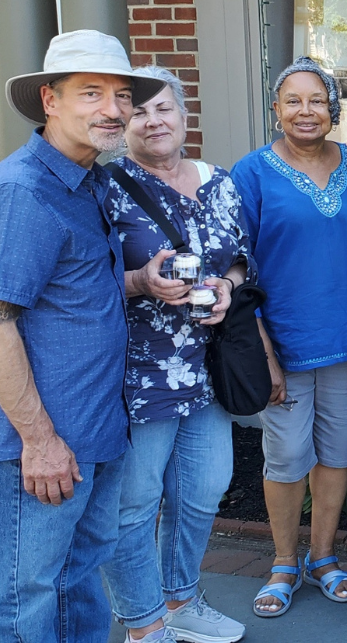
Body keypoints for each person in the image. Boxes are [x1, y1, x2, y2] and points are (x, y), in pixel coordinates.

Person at [0, 30, 165, 642]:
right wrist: (40, 440)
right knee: (28, 590)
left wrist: (140, 281)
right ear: (50, 101)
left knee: (77, 578)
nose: (112, 108)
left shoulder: (89, 181)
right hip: (51, 443)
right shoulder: (24, 192)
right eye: (91, 93)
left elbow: (72, 291)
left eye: (122, 94)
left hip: (97, 426)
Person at [99, 67, 250, 643]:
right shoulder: (106, 187)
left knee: (204, 489)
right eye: (138, 112)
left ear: (184, 114)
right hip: (139, 374)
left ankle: (181, 598)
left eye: (163, 108)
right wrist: (140, 281)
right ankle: (143, 623)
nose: (152, 120)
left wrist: (228, 288)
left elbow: (240, 256)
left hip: (208, 367)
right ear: (121, 123)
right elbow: (85, 280)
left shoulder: (220, 181)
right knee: (134, 503)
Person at [231, 56, 347, 618]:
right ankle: (283, 562)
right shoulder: (252, 172)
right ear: (276, 110)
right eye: (292, 101)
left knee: (339, 451)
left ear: (334, 109)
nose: (305, 111)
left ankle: (323, 558)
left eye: (317, 100)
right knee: (288, 453)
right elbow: (236, 268)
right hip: (284, 342)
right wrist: (262, 349)